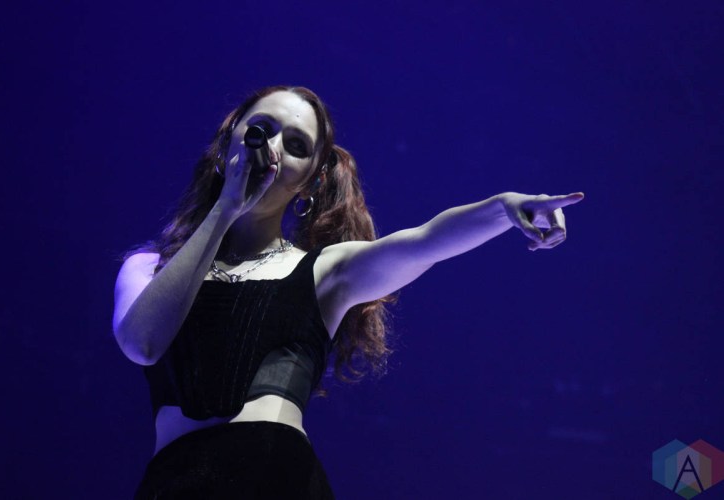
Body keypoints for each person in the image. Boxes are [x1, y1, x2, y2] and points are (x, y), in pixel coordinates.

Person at [113, 85, 584, 499]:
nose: (273, 149)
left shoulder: (324, 271)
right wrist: (227, 208)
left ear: (310, 182)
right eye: (262, 129)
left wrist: (503, 208)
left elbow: (425, 241)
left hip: (272, 475)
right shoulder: (150, 267)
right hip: (174, 482)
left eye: (296, 145)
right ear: (227, 143)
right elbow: (142, 343)